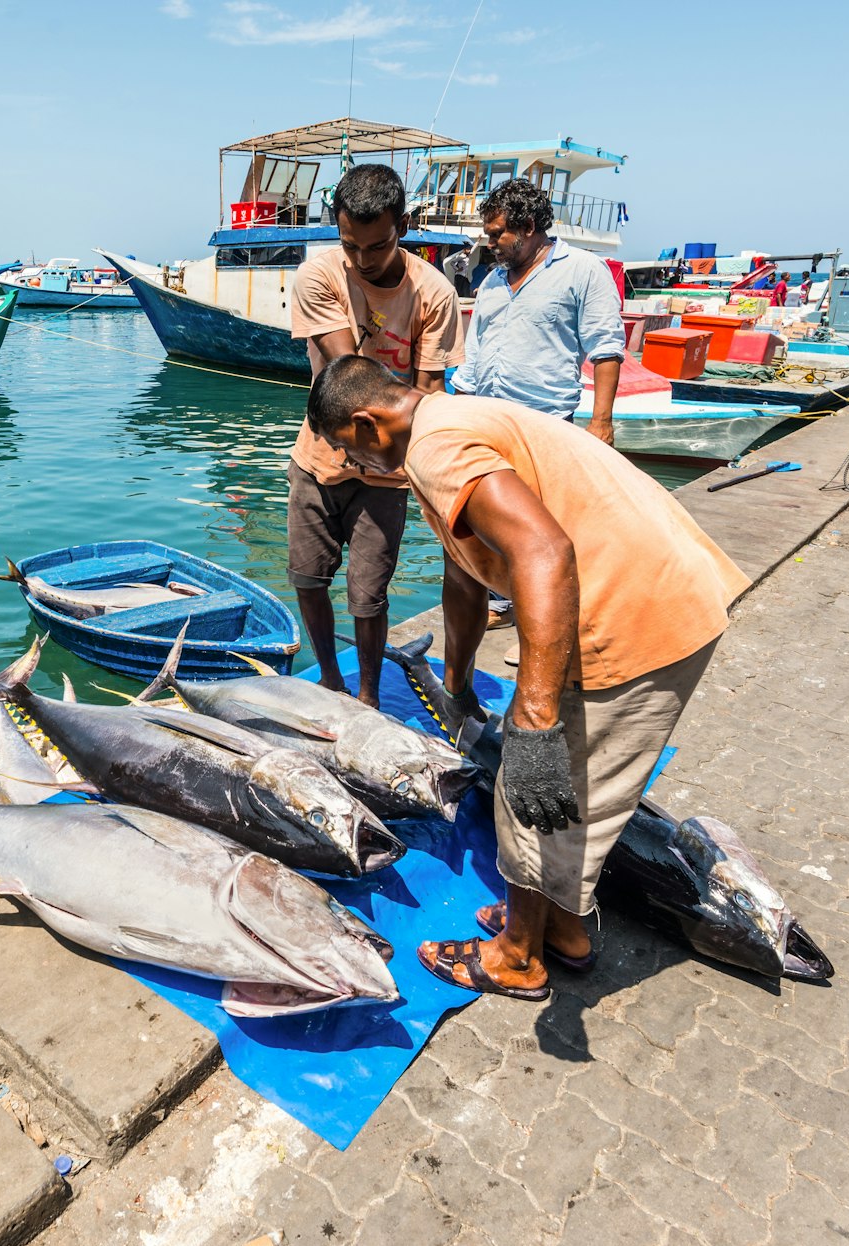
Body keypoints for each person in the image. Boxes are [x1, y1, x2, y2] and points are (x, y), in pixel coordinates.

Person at [304, 355, 749, 999]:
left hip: (627, 615)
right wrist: (455, 685)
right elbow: (467, 576)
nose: (359, 469)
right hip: (670, 592)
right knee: (579, 793)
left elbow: (543, 549)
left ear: (371, 424)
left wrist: (534, 713)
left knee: (532, 791)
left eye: (353, 453)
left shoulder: (434, 448)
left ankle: (516, 955)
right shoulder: (454, 418)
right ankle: (561, 931)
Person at [286, 162, 463, 705]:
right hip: (318, 458)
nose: (363, 260)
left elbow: (429, 396)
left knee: (368, 597)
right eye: (351, 246)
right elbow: (347, 379)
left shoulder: (433, 294)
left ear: (403, 226)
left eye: (378, 246)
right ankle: (330, 681)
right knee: (308, 579)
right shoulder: (318, 275)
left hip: (386, 475)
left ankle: (367, 696)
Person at [447, 179, 624, 444]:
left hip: (546, 427)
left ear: (528, 227)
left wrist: (600, 422)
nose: (490, 244)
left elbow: (606, 347)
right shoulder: (492, 281)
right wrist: (457, 418)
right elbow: (474, 354)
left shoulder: (583, 269)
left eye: (497, 234)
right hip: (485, 423)